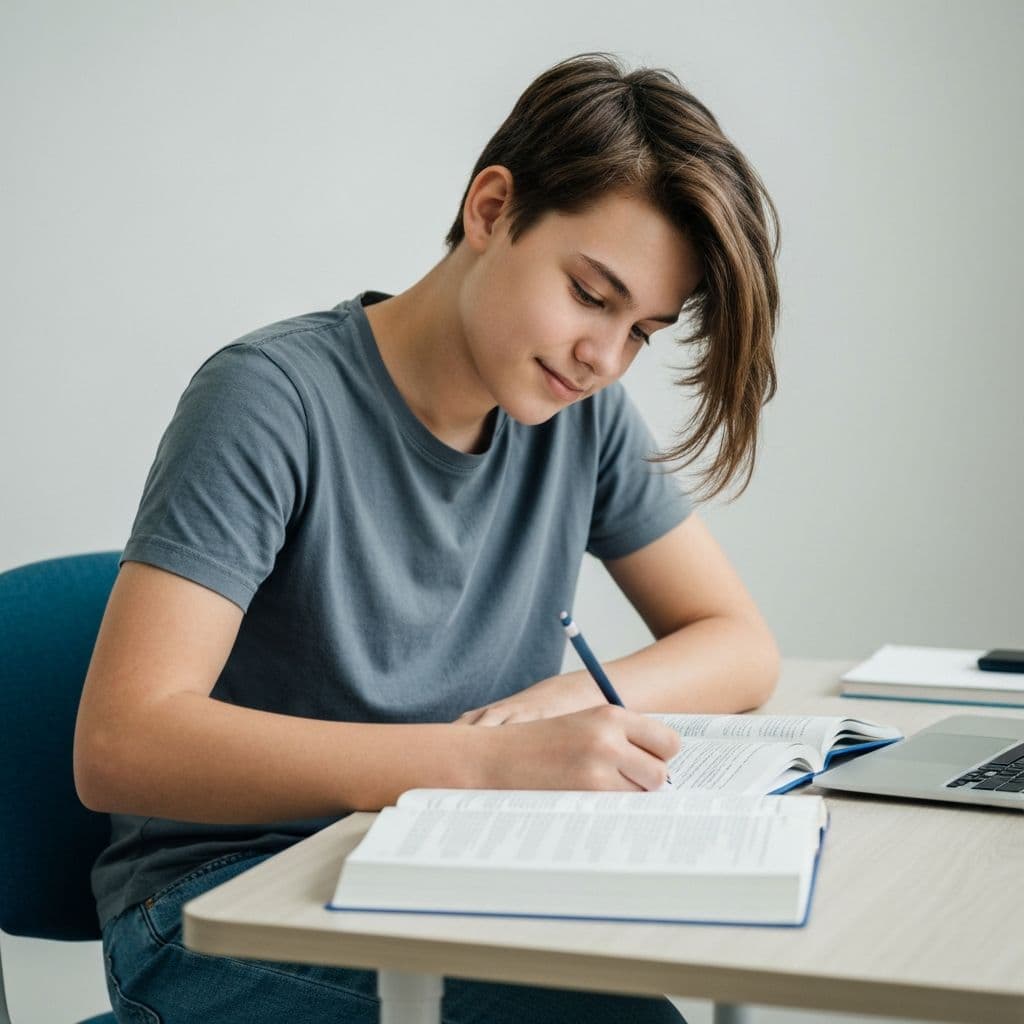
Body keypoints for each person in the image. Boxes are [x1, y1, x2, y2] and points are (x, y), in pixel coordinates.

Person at [74, 50, 781, 1024]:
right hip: (218, 903)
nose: (603, 356)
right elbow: (121, 742)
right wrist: (480, 764)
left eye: (641, 332)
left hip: (432, 864)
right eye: (589, 293)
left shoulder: (579, 417)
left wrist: (544, 714)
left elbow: (740, 645)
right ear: (492, 209)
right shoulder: (268, 401)